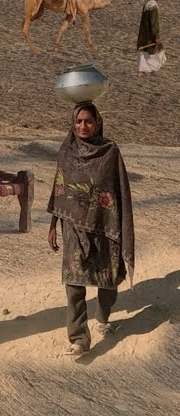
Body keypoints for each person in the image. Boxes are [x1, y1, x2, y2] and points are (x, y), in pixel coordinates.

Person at [47, 102, 135, 358]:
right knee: (74, 283)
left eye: (88, 121)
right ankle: (78, 339)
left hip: (104, 225)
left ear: (97, 123)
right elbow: (59, 189)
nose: (83, 126)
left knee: (107, 279)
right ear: (72, 124)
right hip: (73, 227)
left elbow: (119, 190)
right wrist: (53, 225)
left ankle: (104, 317)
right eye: (78, 122)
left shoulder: (110, 151)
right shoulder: (66, 151)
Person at [137, 0, 165, 75]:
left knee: (145, 50)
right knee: (157, 49)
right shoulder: (153, 6)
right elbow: (154, 22)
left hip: (144, 33)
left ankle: (144, 70)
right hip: (150, 34)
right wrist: (156, 36)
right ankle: (152, 69)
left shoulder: (147, 4)